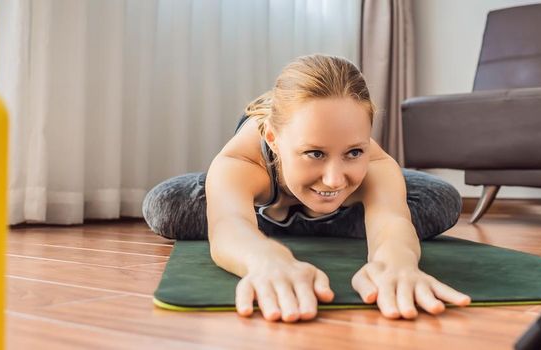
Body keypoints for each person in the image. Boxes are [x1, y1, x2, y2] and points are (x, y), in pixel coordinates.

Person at [143, 54, 470, 323]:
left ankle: (293, 219)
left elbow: (392, 221)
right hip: (258, 188)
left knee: (439, 199)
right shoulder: (243, 159)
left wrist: (396, 261)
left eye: (354, 152)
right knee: (166, 205)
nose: (334, 179)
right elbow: (231, 225)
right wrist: (267, 259)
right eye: (314, 153)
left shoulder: (376, 163)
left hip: (335, 203)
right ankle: (291, 217)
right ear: (273, 138)